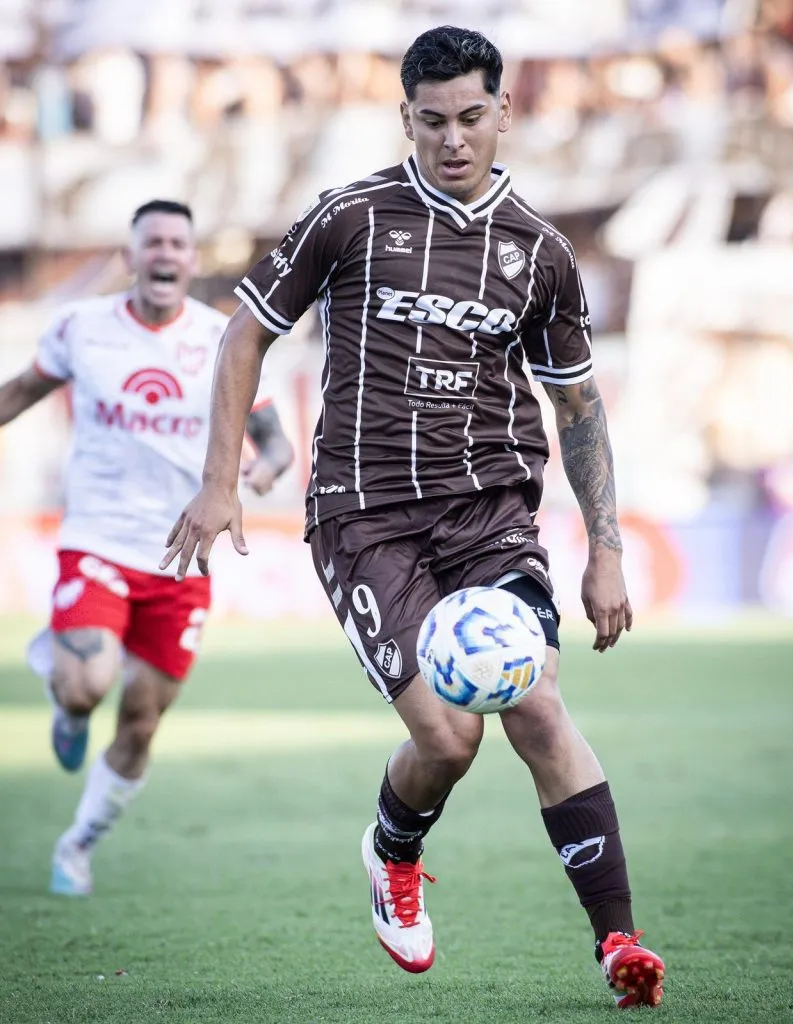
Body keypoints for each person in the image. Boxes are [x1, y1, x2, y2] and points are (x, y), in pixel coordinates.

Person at [162, 28, 665, 1009]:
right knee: (447, 739)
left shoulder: (542, 253)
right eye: (432, 121)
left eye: (472, 117)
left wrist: (606, 548)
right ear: (406, 119)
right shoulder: (349, 218)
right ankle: (394, 847)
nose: (453, 140)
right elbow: (243, 333)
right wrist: (220, 480)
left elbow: (578, 407)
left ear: (504, 113)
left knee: (537, 704)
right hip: (367, 518)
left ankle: (619, 943)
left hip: (492, 517)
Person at [0, 199, 293, 897]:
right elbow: (20, 392)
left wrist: (263, 469)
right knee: (89, 684)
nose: (164, 254)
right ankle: (67, 701)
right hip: (97, 539)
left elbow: (277, 441)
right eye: (151, 242)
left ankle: (79, 844)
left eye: (177, 244)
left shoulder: (225, 340)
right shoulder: (81, 328)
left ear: (193, 260)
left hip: (181, 555)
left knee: (139, 722)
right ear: (130, 258)